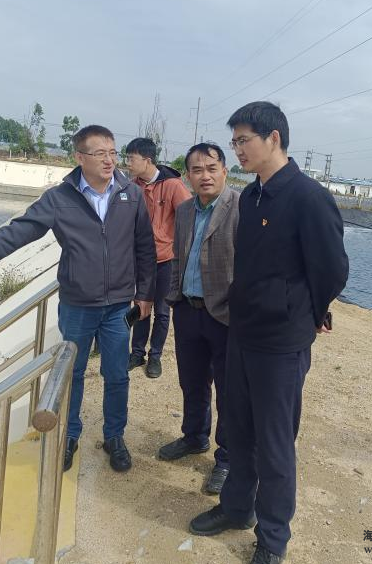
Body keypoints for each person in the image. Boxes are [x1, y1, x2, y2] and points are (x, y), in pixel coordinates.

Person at [0, 125, 156, 474]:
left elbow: (145, 246)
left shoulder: (130, 194)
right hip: (77, 306)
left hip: (118, 306)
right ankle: (69, 435)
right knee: (72, 373)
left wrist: (145, 293)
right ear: (80, 157)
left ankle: (114, 436)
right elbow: (14, 234)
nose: (109, 160)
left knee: (117, 374)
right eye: (100, 153)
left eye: (113, 153)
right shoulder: (59, 199)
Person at [189, 103, 349, 564]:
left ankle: (273, 538)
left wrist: (309, 311)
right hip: (242, 332)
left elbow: (332, 270)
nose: (237, 150)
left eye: (243, 140)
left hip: (281, 342)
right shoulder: (251, 197)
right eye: (235, 141)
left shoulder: (308, 197)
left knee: (275, 443)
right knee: (238, 428)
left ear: (273, 138)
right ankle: (237, 508)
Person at [161, 142, 239, 494]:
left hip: (224, 316)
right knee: (192, 382)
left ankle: (227, 458)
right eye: (196, 170)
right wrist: (174, 296)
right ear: (188, 176)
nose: (204, 176)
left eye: (211, 168)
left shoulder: (241, 208)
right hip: (187, 309)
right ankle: (194, 436)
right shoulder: (184, 210)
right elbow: (178, 257)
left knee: (228, 390)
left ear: (224, 170)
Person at [125, 137, 191, 378]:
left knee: (162, 311)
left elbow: (189, 216)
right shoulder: (134, 186)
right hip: (142, 259)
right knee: (141, 305)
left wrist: (177, 248)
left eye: (131, 158)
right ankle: (137, 353)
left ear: (147, 160)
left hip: (166, 260)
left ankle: (155, 356)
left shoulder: (172, 186)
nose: (127, 163)